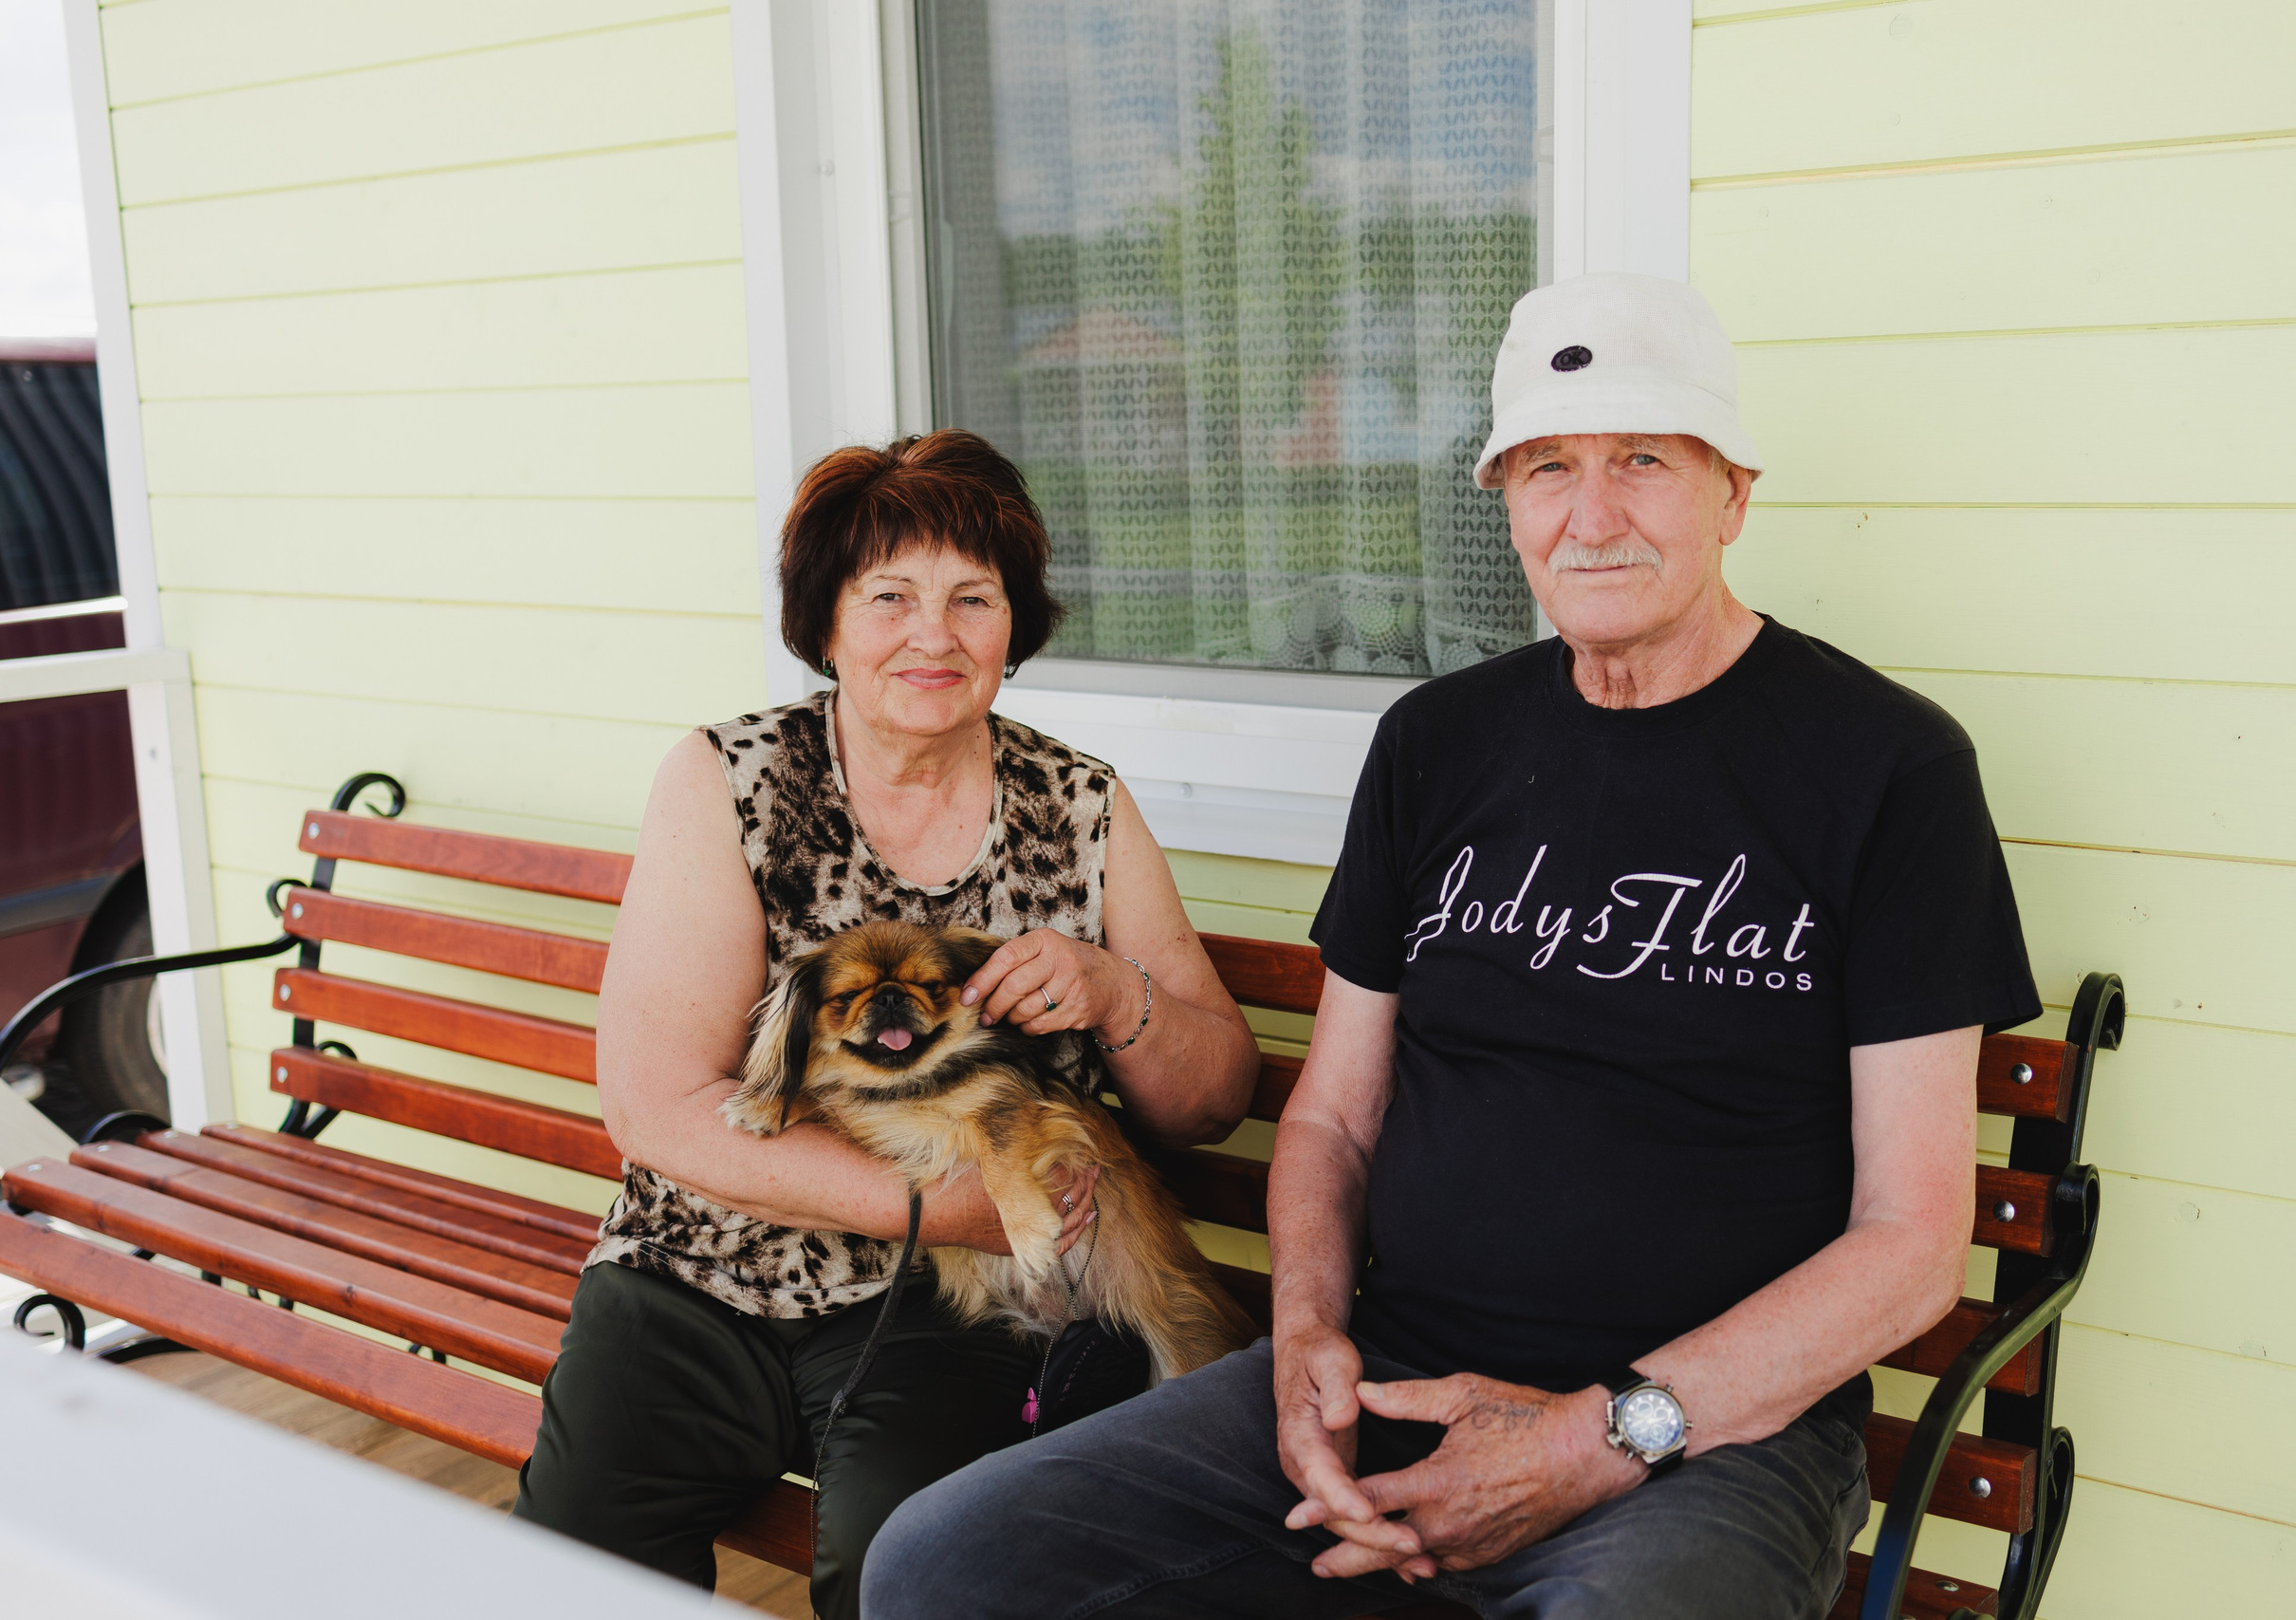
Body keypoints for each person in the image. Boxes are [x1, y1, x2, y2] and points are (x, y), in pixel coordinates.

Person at [861, 273, 2042, 1619]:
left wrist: (1593, 1436)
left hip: (1708, 1437)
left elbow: (1910, 1238)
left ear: (1733, 492)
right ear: (1507, 503)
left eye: (1643, 460)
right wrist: (1306, 1331)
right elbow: (1337, 1121)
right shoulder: (1438, 744)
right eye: (1548, 467)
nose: (1591, 514)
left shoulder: (1886, 768)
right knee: (941, 1561)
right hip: (1386, 1375)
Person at [511, 429, 1262, 1619]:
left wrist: (1120, 997)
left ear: (1015, 627)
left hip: (954, 1301)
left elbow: (1214, 1099)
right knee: (571, 1563)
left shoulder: (1079, 806)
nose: (935, 634)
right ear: (825, 622)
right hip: (701, 1265)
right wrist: (936, 1201)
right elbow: (656, 1102)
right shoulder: (732, 780)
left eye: (975, 598)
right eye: (891, 597)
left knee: (909, 1566)